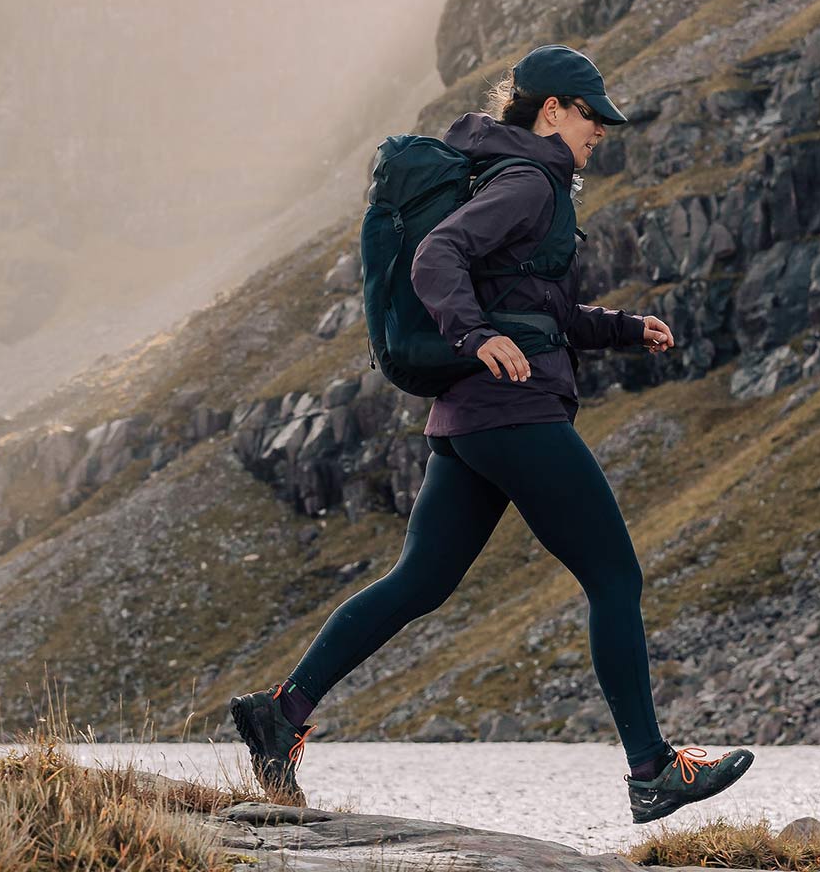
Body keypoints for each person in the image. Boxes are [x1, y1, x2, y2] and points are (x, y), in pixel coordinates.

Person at [229, 44, 753, 824]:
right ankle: (651, 770)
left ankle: (283, 712)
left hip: (471, 419)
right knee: (615, 579)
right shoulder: (529, 180)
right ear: (551, 111)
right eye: (590, 116)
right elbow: (439, 256)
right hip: (513, 408)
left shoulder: (509, 174)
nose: (601, 131)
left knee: (421, 582)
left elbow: (540, 308)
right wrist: (473, 336)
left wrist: (622, 327)